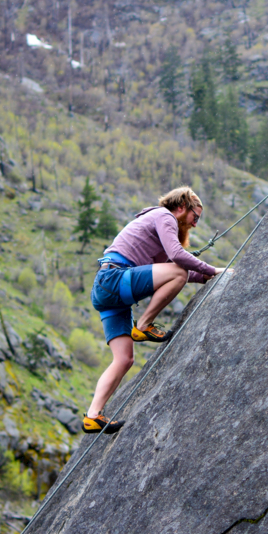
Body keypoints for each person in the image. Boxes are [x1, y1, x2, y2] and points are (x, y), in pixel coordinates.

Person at [83, 186, 226, 434]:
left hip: (107, 291)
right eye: (196, 217)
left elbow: (170, 268)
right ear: (182, 207)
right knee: (178, 271)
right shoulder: (164, 216)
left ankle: (92, 415)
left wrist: (208, 275)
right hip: (115, 279)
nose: (194, 224)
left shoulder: (156, 226)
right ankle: (144, 325)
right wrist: (212, 269)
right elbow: (176, 259)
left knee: (124, 359)